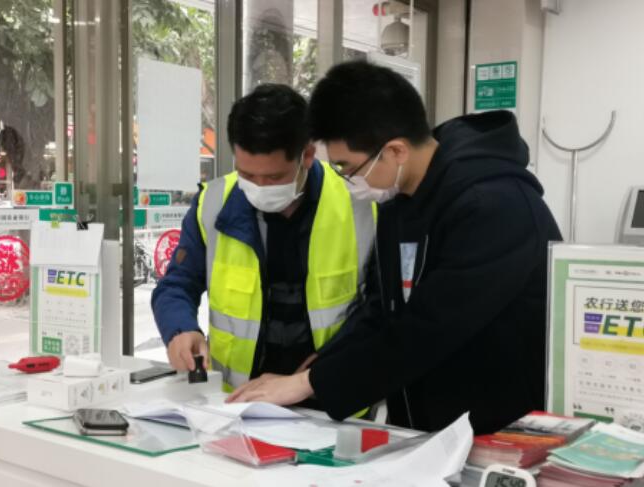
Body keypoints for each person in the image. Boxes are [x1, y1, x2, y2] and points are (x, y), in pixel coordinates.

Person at [228, 61, 562, 435]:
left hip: (501, 430)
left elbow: (429, 328)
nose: (346, 180)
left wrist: (309, 383)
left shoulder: (495, 206)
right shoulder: (399, 201)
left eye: (347, 168)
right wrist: (315, 369)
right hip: (425, 425)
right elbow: (382, 309)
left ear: (395, 151)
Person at [151, 84, 376, 393]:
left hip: (330, 397)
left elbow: (380, 312)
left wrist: (315, 376)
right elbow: (177, 285)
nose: (259, 187)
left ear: (307, 155)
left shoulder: (360, 205)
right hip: (239, 401)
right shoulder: (213, 203)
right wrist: (180, 330)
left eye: (274, 177)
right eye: (247, 174)